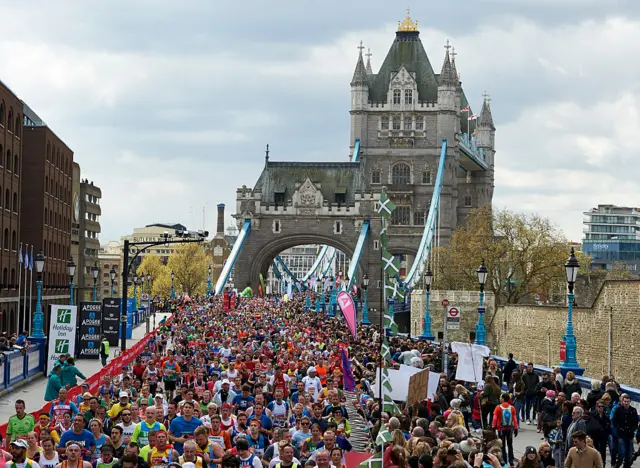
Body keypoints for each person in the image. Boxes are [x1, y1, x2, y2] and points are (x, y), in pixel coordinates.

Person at [611, 394, 638, 468]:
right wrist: (619, 427)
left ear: (630, 402)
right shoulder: (618, 410)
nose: (626, 403)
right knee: (622, 453)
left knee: (629, 454)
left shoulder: (633, 410)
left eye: (628, 401)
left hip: (630, 434)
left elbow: (636, 421)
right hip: (621, 434)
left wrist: (633, 428)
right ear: (622, 401)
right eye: (625, 401)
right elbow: (614, 421)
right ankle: (617, 465)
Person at [492, 393, 518, 467]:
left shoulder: (498, 407)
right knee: (510, 445)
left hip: (501, 430)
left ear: (503, 398)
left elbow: (495, 418)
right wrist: (516, 428)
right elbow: (514, 419)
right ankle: (511, 461)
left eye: (500, 397)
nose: (500, 399)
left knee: (502, 445)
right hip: (509, 429)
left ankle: (504, 461)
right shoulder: (512, 407)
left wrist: (493, 427)